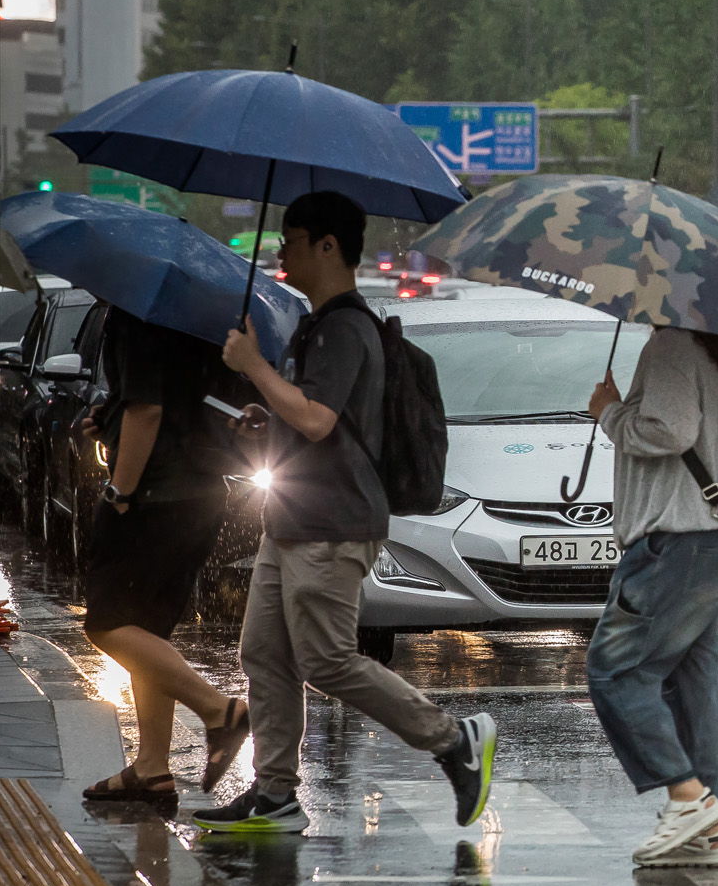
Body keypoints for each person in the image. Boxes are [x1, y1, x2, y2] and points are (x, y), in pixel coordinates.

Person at [194, 191, 497, 835]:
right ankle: (275, 791)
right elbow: (304, 417)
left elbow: (317, 417)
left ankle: (453, 738)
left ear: (328, 247)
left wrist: (252, 369)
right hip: (296, 518)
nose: (281, 250)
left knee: (327, 659)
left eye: (293, 238)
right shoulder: (316, 324)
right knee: (265, 655)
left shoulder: (344, 328)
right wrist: (263, 417)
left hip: (332, 525)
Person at [585, 324, 718, 867]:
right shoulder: (714, 347)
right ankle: (707, 831)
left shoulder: (674, 345)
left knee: (616, 670)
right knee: (697, 678)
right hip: (712, 537)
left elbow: (670, 430)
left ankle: (687, 797)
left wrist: (608, 412)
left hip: (675, 539)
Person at [78, 309, 250, 810]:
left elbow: (148, 410)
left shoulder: (136, 318)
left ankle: (220, 712)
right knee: (146, 632)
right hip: (197, 494)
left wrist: (119, 493)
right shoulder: (185, 320)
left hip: (154, 499)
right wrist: (108, 417)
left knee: (107, 625)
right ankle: (153, 767)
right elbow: (171, 402)